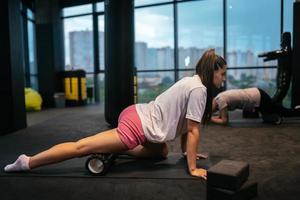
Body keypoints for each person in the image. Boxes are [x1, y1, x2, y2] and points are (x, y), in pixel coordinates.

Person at [4, 49, 227, 180]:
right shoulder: (199, 89)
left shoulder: (192, 81)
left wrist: (190, 153)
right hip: (138, 127)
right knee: (81, 147)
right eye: (222, 74)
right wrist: (192, 168)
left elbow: (185, 125)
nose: (223, 79)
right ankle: (27, 161)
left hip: (137, 112)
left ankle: (119, 149)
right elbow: (192, 130)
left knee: (161, 152)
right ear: (212, 71)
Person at [211, 87, 300, 125]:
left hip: (258, 97)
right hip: (257, 95)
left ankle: (295, 111)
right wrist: (213, 118)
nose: (211, 112)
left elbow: (224, 121)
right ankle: (295, 110)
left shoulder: (220, 100)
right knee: (273, 112)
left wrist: (209, 119)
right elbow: (221, 116)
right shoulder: (219, 97)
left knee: (281, 112)